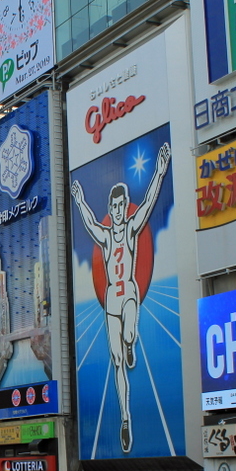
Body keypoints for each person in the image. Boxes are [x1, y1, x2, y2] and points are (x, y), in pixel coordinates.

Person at [71, 141, 171, 453]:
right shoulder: (104, 236)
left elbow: (151, 201)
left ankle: (131, 342)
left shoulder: (130, 230)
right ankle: (125, 418)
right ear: (109, 209)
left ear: (124, 205)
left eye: (120, 206)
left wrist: (160, 170)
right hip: (111, 301)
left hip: (129, 292)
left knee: (129, 334)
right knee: (117, 363)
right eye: (112, 207)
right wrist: (79, 200)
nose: (116, 211)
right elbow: (88, 221)